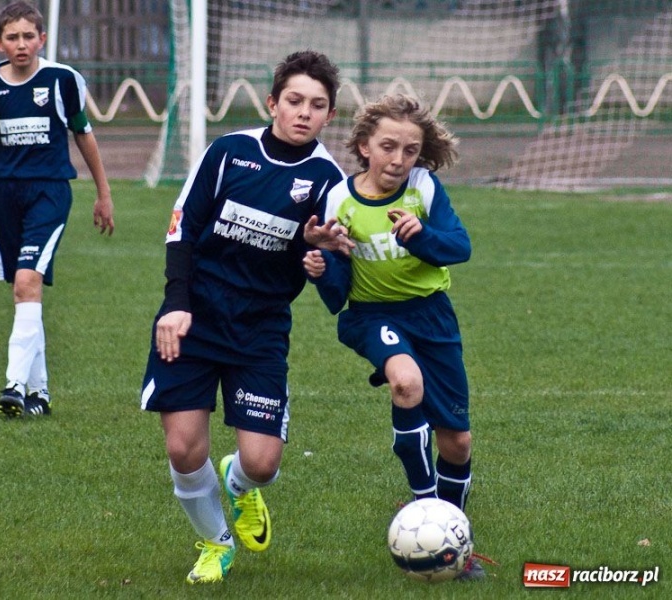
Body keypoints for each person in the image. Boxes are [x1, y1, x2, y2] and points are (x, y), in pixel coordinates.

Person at [139, 50, 352, 584]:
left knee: (261, 463)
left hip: (260, 329)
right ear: (272, 102)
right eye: (295, 100)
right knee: (183, 447)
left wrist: (316, 252)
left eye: (317, 105)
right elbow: (182, 230)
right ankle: (216, 542)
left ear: (329, 115)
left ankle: (238, 487)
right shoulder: (229, 152)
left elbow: (330, 275)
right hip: (194, 318)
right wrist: (176, 303)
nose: (304, 112)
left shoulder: (329, 182)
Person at [302, 94, 486, 580]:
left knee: (458, 442)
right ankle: (424, 505)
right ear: (365, 146)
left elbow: (459, 247)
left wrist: (420, 235)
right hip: (372, 315)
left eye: (410, 150)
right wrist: (322, 267)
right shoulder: (339, 199)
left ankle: (451, 536)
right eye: (388, 147)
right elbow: (337, 295)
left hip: (432, 317)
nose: (398, 159)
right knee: (406, 382)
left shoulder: (423, 187)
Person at [0, 1, 114, 418]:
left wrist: (103, 193)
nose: (21, 44)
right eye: (12, 37)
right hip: (6, 197)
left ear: (42, 39)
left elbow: (84, 135)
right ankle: (40, 394)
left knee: (26, 281)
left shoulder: (61, 80)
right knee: (24, 292)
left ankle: (14, 384)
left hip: (49, 193)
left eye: (28, 36)